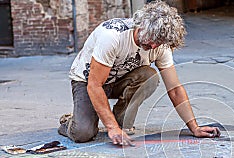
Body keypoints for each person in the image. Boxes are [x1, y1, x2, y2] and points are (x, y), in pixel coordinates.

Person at [58, 0, 220, 146]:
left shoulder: (160, 45)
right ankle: (70, 121)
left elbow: (175, 89)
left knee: (150, 75)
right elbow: (94, 85)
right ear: (141, 26)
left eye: (160, 42)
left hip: (120, 80)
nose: (154, 46)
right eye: (152, 39)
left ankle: (121, 121)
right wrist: (111, 127)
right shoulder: (113, 36)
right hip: (87, 81)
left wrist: (194, 127)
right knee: (83, 133)